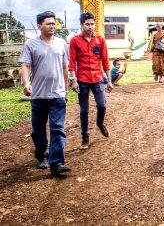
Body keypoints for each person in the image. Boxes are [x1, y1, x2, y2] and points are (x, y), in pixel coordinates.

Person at [19, 11, 71, 177]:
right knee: (38, 130)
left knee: (57, 128)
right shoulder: (31, 45)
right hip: (39, 96)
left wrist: (66, 89)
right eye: (48, 23)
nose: (52, 26)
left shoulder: (62, 43)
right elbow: (26, 66)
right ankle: (42, 156)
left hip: (57, 94)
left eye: (53, 23)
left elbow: (65, 68)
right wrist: (26, 83)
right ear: (39, 26)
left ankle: (56, 163)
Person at [69, 12, 111, 150]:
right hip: (82, 79)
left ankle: (100, 123)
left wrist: (109, 80)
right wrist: (74, 80)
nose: (90, 27)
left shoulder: (100, 40)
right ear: (81, 25)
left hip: (98, 78)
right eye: (87, 24)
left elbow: (105, 61)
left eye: (92, 24)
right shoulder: (75, 41)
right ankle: (85, 138)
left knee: (102, 105)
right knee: (84, 110)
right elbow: (72, 62)